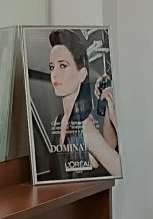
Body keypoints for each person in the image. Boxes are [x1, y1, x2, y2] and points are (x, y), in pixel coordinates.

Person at [40, 29, 121, 179]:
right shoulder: (58, 121)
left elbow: (117, 167)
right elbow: (97, 158)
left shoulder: (85, 127)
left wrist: (109, 109)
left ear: (82, 74)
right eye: (52, 67)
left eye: (63, 66)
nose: (54, 74)